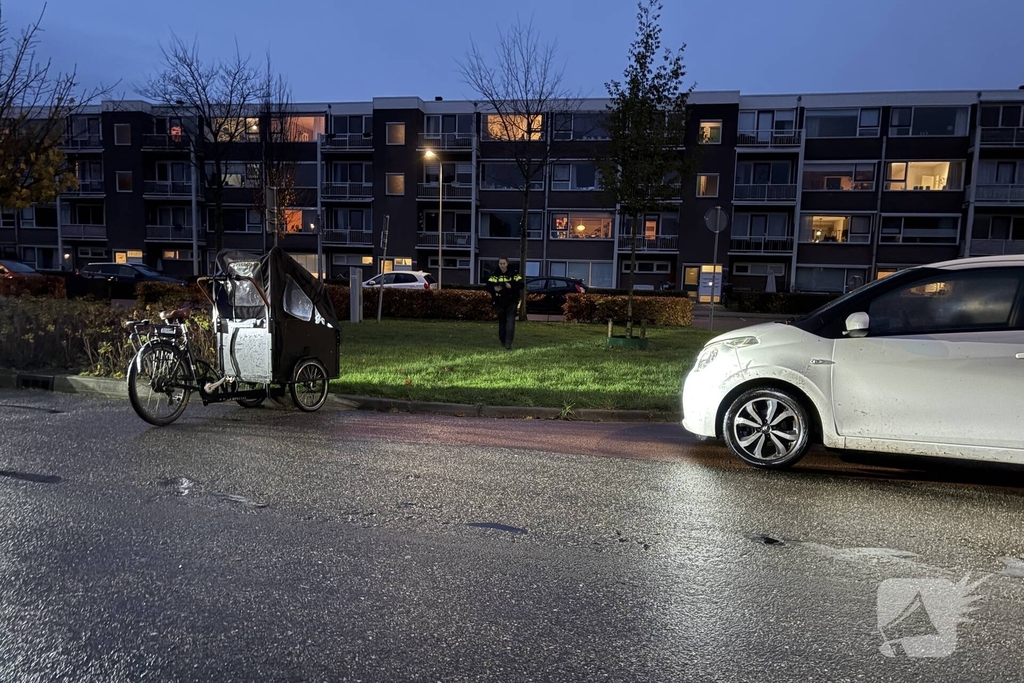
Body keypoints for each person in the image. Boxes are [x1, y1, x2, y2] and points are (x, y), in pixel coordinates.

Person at [487, 258, 524, 350]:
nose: (502, 265)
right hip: (500, 302)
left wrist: (511, 286)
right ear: (498, 264)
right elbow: (488, 285)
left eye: (504, 263)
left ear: (507, 264)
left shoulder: (514, 273)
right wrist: (494, 288)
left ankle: (508, 343)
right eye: (500, 263)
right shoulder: (494, 274)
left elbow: (521, 285)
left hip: (511, 301)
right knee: (502, 323)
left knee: (510, 324)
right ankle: (502, 340)